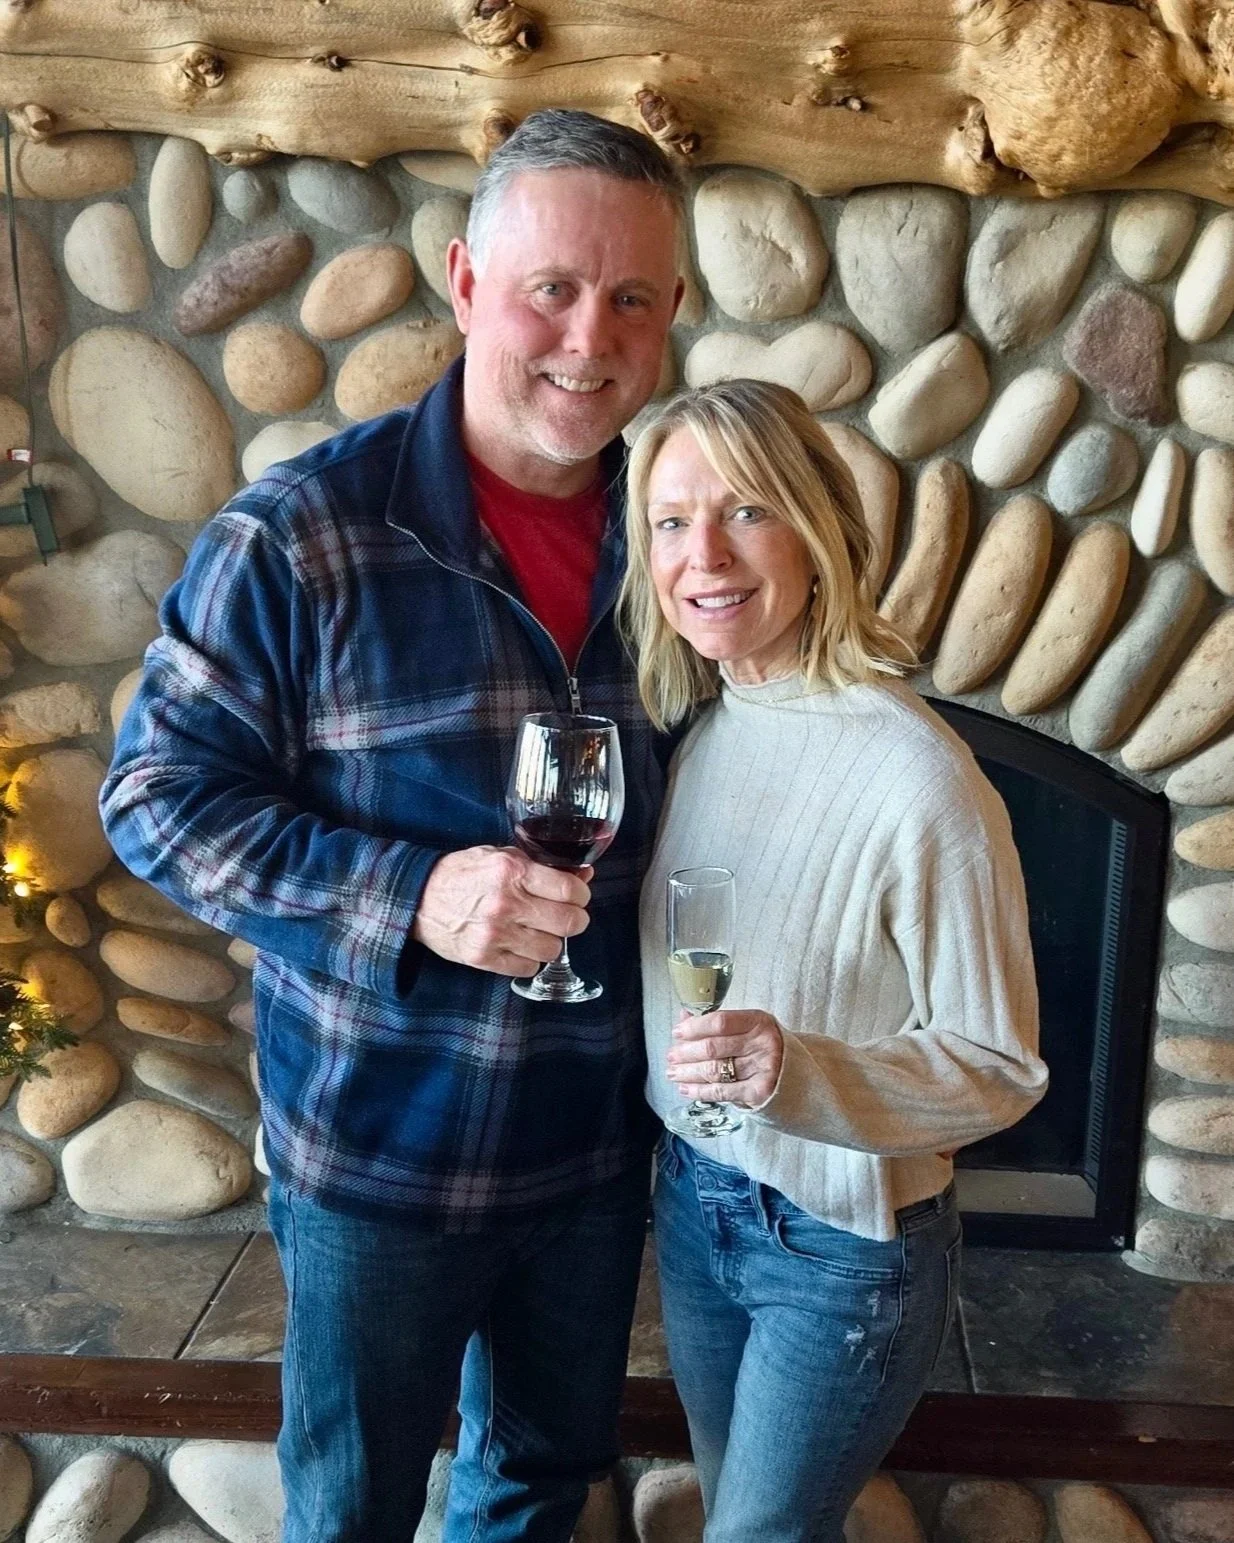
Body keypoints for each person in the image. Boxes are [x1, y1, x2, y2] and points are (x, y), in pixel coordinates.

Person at [100, 109, 684, 1543]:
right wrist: (410, 895)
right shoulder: (296, 535)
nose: (586, 336)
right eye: (551, 286)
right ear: (466, 280)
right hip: (381, 1154)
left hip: (597, 1149)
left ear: (671, 316)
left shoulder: (684, 536)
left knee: (537, 1483)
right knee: (352, 1503)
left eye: (630, 299)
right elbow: (153, 798)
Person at [619, 379, 1048, 1543]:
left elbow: (1001, 1065)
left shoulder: (919, 778)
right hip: (696, 1200)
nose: (700, 552)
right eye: (668, 521)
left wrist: (798, 1070)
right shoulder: (698, 731)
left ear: (816, 531)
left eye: (745, 509)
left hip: (840, 1246)